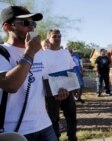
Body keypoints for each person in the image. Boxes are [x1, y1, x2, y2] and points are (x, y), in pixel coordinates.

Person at [0, 6, 68, 141]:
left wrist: (57, 93)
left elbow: (43, 84)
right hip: (14, 130)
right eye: (25, 23)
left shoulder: (39, 53)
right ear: (8, 27)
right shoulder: (3, 52)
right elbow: (10, 85)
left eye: (33, 23)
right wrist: (29, 52)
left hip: (44, 125)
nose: (31, 28)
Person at [44, 29, 78, 141]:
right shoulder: (43, 55)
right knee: (54, 119)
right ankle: (55, 138)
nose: (58, 38)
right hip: (52, 92)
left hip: (68, 89)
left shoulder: (65, 52)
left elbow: (71, 69)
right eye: (54, 36)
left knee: (71, 115)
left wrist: (76, 86)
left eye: (59, 36)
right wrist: (51, 92)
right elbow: (43, 75)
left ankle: (72, 137)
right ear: (48, 38)